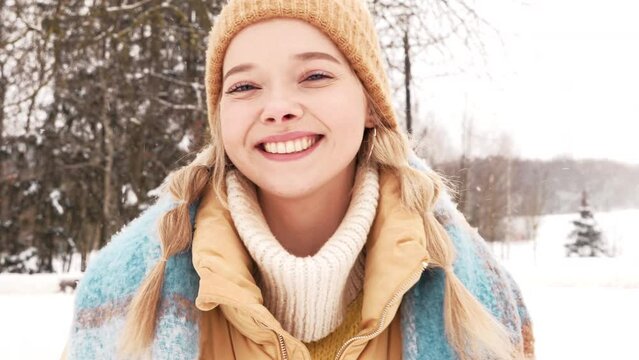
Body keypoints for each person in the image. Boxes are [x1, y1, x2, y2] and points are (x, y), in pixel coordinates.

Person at [63, 0, 535, 359]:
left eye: (313, 76)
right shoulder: (118, 293)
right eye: (245, 86)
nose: (278, 107)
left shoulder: (480, 297)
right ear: (220, 117)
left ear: (371, 103)